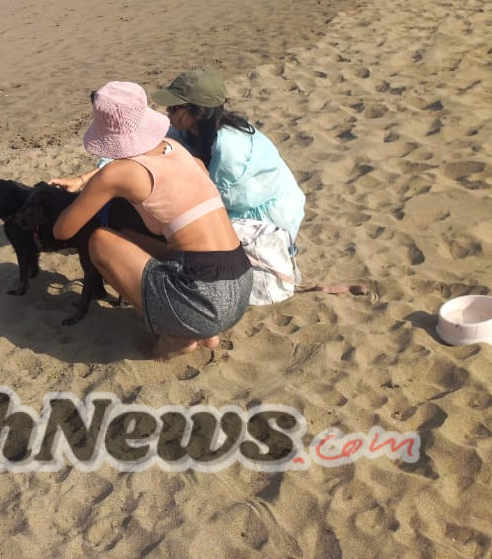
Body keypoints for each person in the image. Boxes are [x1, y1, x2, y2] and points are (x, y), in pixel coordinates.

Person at [49, 81, 253, 359]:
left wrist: (87, 191)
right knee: (129, 237)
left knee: (100, 240)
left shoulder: (118, 173)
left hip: (202, 295)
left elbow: (63, 231)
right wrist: (87, 180)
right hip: (241, 283)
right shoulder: (176, 148)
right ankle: (204, 328)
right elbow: (201, 172)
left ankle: (173, 335)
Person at [149, 69, 305, 257]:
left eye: (174, 108)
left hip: (267, 217)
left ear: (197, 111)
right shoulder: (191, 131)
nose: (168, 113)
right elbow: (160, 142)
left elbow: (219, 198)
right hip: (239, 208)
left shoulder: (228, 146)